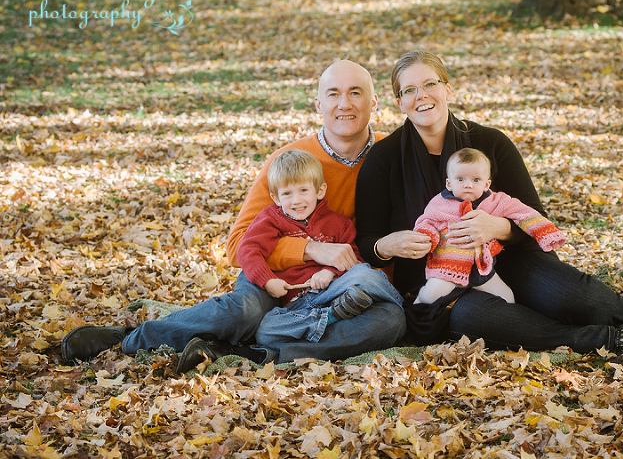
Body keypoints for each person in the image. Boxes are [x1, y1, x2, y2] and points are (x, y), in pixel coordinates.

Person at [61, 60, 407, 372]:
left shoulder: (392, 157)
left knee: (390, 321)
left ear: (373, 102)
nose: (344, 104)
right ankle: (133, 337)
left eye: (356, 93)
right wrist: (310, 250)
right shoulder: (289, 161)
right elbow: (237, 245)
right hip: (276, 279)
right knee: (246, 310)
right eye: (333, 94)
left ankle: (250, 351)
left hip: (334, 287)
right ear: (318, 105)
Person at [355, 50, 623, 352]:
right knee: (477, 317)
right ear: (399, 101)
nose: (422, 95)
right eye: (409, 90)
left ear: (447, 89)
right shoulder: (384, 159)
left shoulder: (490, 143)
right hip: (438, 277)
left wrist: (499, 227)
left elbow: (534, 218)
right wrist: (390, 244)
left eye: (430, 84)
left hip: (508, 259)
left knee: (568, 294)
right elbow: (368, 242)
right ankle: (605, 339)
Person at [238, 149, 402, 346]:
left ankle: (400, 308)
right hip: (300, 305)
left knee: (370, 283)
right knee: (267, 330)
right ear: (276, 198)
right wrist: (267, 281)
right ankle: (329, 318)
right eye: (287, 193)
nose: (296, 200)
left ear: (320, 190)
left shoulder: (339, 223)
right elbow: (247, 249)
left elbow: (354, 258)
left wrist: (330, 272)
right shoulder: (271, 219)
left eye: (303, 190)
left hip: (335, 292)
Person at [413, 147, 566, 306]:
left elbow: (524, 213)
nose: (468, 185)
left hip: (482, 270)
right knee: (431, 295)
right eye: (460, 179)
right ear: (449, 183)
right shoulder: (440, 204)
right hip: (448, 267)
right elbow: (426, 222)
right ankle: (417, 303)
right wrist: (428, 236)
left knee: (507, 297)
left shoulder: (497, 202)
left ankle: (500, 324)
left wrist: (546, 232)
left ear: (487, 184)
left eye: (476, 180)